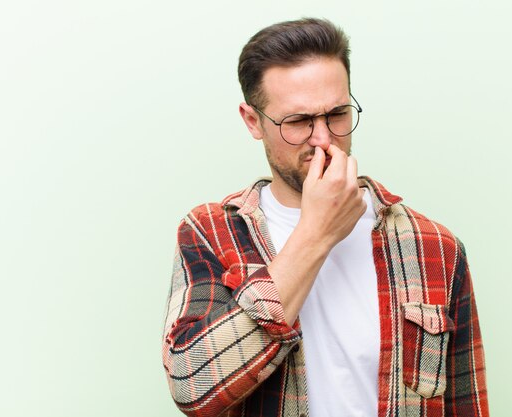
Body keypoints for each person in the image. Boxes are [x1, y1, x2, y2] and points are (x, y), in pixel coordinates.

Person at [162, 18, 489, 417]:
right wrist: (316, 233)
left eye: (337, 114)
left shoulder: (434, 247)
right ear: (253, 122)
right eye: (298, 122)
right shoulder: (211, 232)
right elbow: (192, 387)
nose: (323, 138)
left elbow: (466, 405)